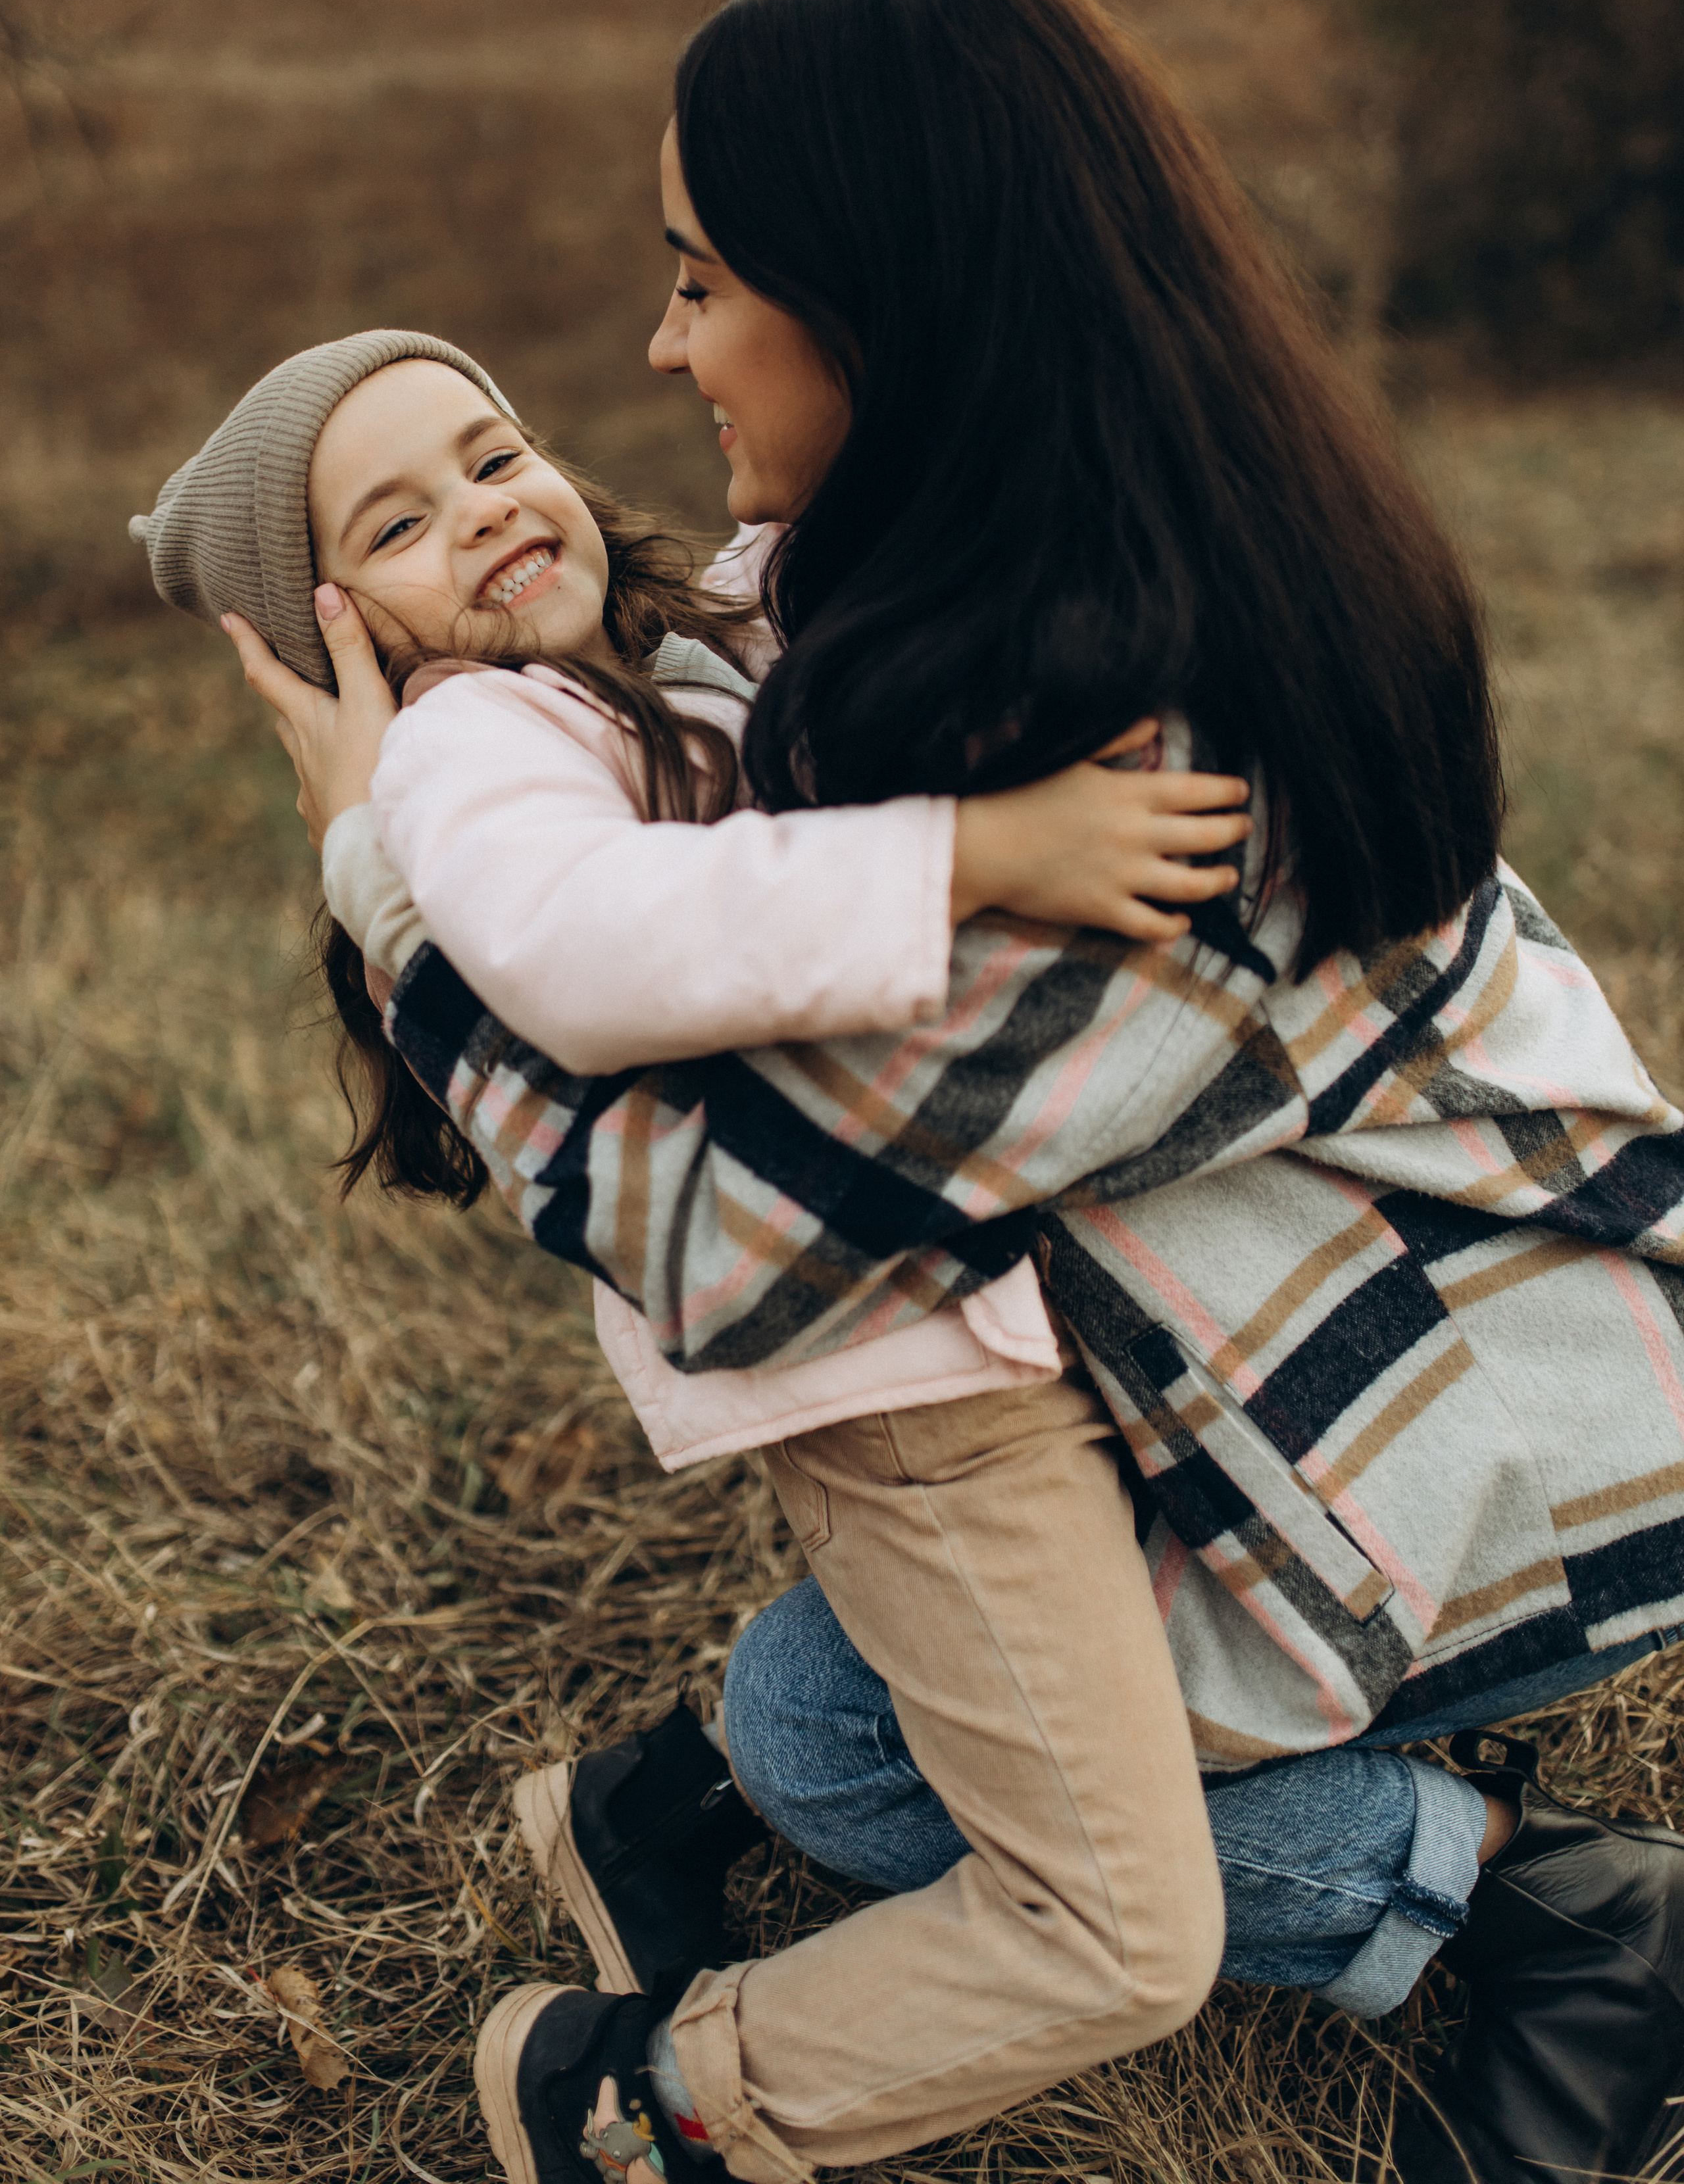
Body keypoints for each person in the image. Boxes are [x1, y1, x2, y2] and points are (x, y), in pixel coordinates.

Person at [266, 0, 1683, 2184]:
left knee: (908, 1796)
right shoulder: (965, 559)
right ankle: (710, 1789)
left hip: (1474, 1437)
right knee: (832, 1729)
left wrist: (385, 881)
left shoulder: (1128, 762)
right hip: (1250, 1326)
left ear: (882, 292)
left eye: (702, 278)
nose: (657, 344)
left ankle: (1540, 1913)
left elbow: (719, 1248)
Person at [132, 321, 1257, 2177]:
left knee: (1151, 1695)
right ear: (344, 629)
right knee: (1124, 1932)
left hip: (980, 1319)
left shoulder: (678, 656)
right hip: (894, 1389)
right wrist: (973, 854)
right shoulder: (473, 747)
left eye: (493, 456)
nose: (485, 516)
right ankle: (629, 2099)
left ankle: (654, 1808)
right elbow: (603, 934)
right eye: (400, 525)